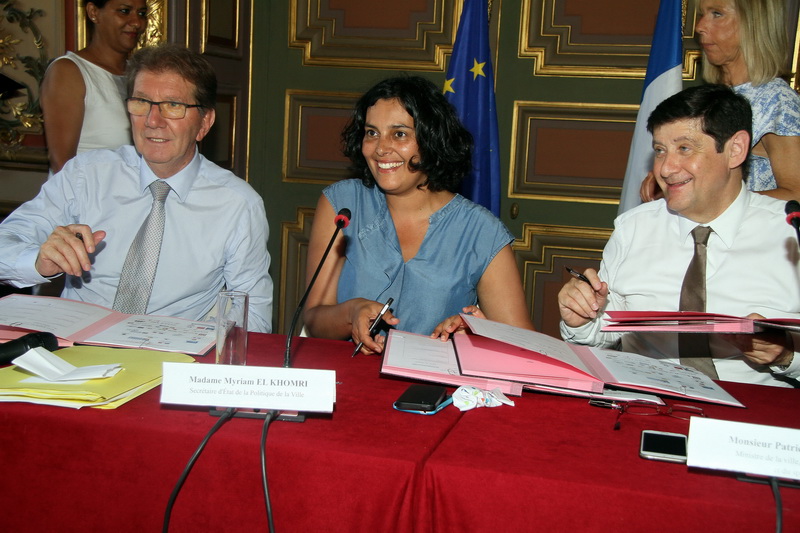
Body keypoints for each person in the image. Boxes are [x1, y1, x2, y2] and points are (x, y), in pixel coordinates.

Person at [0, 43, 273, 332]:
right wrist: (38, 261)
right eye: (142, 103)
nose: (153, 121)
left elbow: (253, 315)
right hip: (75, 354)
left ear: (204, 123)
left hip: (171, 359)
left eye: (173, 106)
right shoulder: (85, 175)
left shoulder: (237, 205)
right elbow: (5, 243)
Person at [560, 84, 800, 387]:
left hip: (753, 422)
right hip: (648, 408)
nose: (666, 168)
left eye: (684, 148)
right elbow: (602, 338)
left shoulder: (790, 233)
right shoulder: (634, 229)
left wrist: (787, 356)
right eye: (660, 150)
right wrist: (581, 322)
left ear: (735, 149)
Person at [302, 76, 533, 354]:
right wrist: (351, 312)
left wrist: (476, 334)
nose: (380, 148)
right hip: (344, 383)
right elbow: (313, 320)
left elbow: (525, 348)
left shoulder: (481, 231)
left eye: (399, 134)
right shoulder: (342, 204)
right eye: (372, 132)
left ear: (431, 140)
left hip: (433, 391)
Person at [641, 0, 800, 202]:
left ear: (753, 24)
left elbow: (796, 196)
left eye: (717, 13)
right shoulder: (709, 96)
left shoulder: (777, 101)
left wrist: (708, 203)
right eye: (702, 14)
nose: (699, 27)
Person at [40, 0, 147, 173]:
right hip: (86, 197)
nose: (136, 22)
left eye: (142, 14)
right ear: (93, 12)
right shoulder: (69, 71)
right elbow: (62, 166)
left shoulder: (142, 75)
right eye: (124, 11)